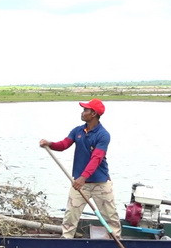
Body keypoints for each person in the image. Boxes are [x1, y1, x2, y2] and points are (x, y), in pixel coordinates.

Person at [39, 98, 122, 239]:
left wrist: (83, 178)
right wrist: (50, 143)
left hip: (100, 182)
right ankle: (66, 240)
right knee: (70, 215)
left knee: (110, 216)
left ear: (93, 114)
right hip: (79, 183)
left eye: (85, 110)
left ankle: (115, 241)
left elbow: (96, 158)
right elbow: (64, 144)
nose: (83, 112)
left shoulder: (103, 135)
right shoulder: (78, 130)